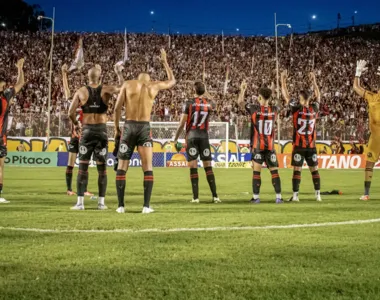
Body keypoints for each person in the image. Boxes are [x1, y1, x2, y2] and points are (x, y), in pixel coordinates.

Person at [114, 49, 176, 214]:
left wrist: (116, 129)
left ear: (137, 78)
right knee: (147, 166)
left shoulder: (127, 84)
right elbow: (172, 81)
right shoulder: (153, 86)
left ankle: (120, 206)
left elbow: (116, 108)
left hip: (128, 126)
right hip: (144, 127)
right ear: (149, 79)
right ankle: (146, 206)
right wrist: (164, 61)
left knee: (122, 165)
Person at [69, 63, 124, 210]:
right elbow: (121, 88)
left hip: (86, 131)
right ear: (99, 76)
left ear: (88, 76)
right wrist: (118, 73)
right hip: (101, 131)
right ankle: (101, 203)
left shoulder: (80, 91)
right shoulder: (105, 89)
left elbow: (70, 112)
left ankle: (80, 203)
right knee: (102, 169)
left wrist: (75, 123)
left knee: (82, 168)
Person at [173, 81, 220, 204]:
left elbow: (182, 123)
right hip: (204, 137)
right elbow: (215, 104)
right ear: (204, 91)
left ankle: (195, 198)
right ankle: (215, 197)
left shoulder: (188, 103)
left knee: (193, 167)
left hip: (192, 137)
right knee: (208, 167)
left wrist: (175, 138)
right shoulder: (209, 104)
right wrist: (206, 93)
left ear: (194, 90)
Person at [237, 80, 283, 204]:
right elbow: (280, 103)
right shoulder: (275, 109)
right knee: (274, 172)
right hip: (270, 147)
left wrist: (242, 89)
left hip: (258, 146)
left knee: (256, 172)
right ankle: (278, 197)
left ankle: (256, 197)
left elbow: (240, 103)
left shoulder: (254, 109)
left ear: (259, 97)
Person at [281, 70, 322, 202]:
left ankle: (295, 196)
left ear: (303, 99)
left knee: (297, 170)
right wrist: (314, 81)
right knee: (314, 170)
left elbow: (286, 96)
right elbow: (319, 95)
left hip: (299, 146)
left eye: (299, 98)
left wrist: (283, 81)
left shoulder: (296, 108)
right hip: (311, 145)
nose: (298, 99)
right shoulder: (314, 108)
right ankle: (318, 195)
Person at [62, 64, 94, 197]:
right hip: (76, 136)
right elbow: (66, 91)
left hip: (84, 136)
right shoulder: (74, 102)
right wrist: (64, 74)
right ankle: (69, 189)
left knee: (83, 164)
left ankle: (84, 189)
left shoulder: (87, 102)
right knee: (72, 163)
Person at [353, 60, 380, 201]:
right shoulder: (372, 97)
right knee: (369, 163)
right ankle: (366, 193)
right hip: (375, 138)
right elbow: (356, 88)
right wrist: (357, 72)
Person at [0, 58, 25, 203]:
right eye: (3, 85)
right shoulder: (5, 96)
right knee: (0, 167)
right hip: (0, 137)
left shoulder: (6, 95)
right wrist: (20, 68)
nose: (5, 87)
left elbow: (20, 84)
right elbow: (20, 83)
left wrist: (20, 69)